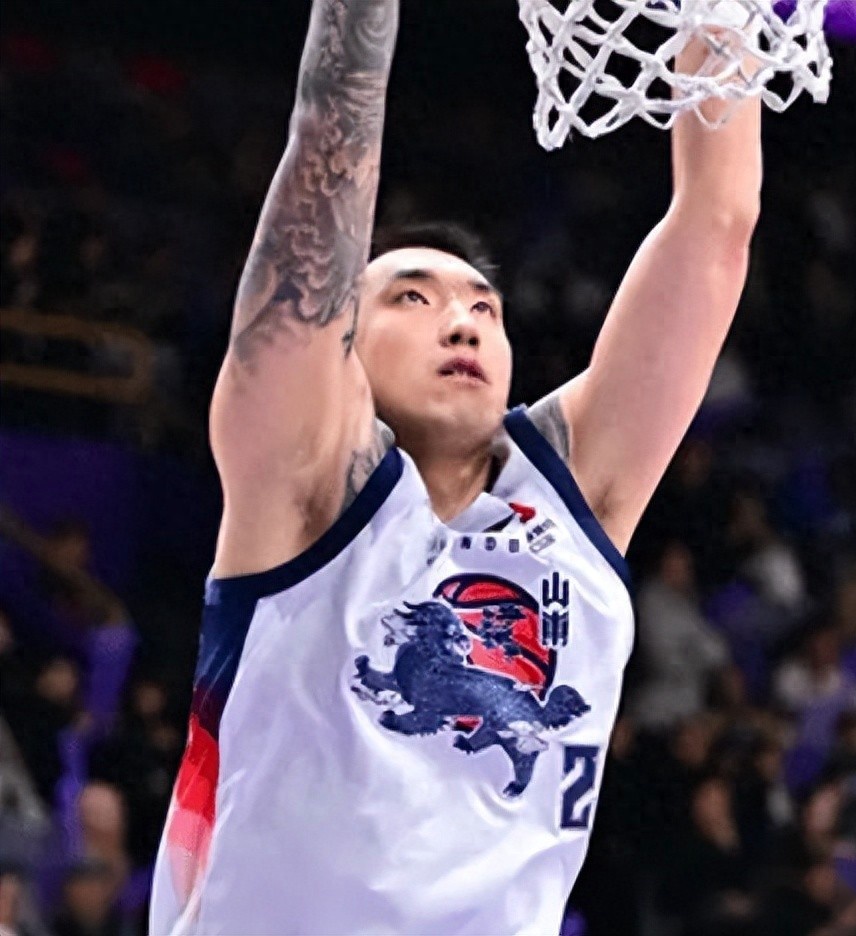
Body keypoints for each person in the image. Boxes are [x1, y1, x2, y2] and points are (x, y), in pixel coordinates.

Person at [148, 1, 760, 933]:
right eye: (412, 297)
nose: (463, 321)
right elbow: (328, 138)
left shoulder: (573, 498)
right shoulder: (302, 491)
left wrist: (720, 15)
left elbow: (716, 223)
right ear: (346, 347)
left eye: (484, 307)